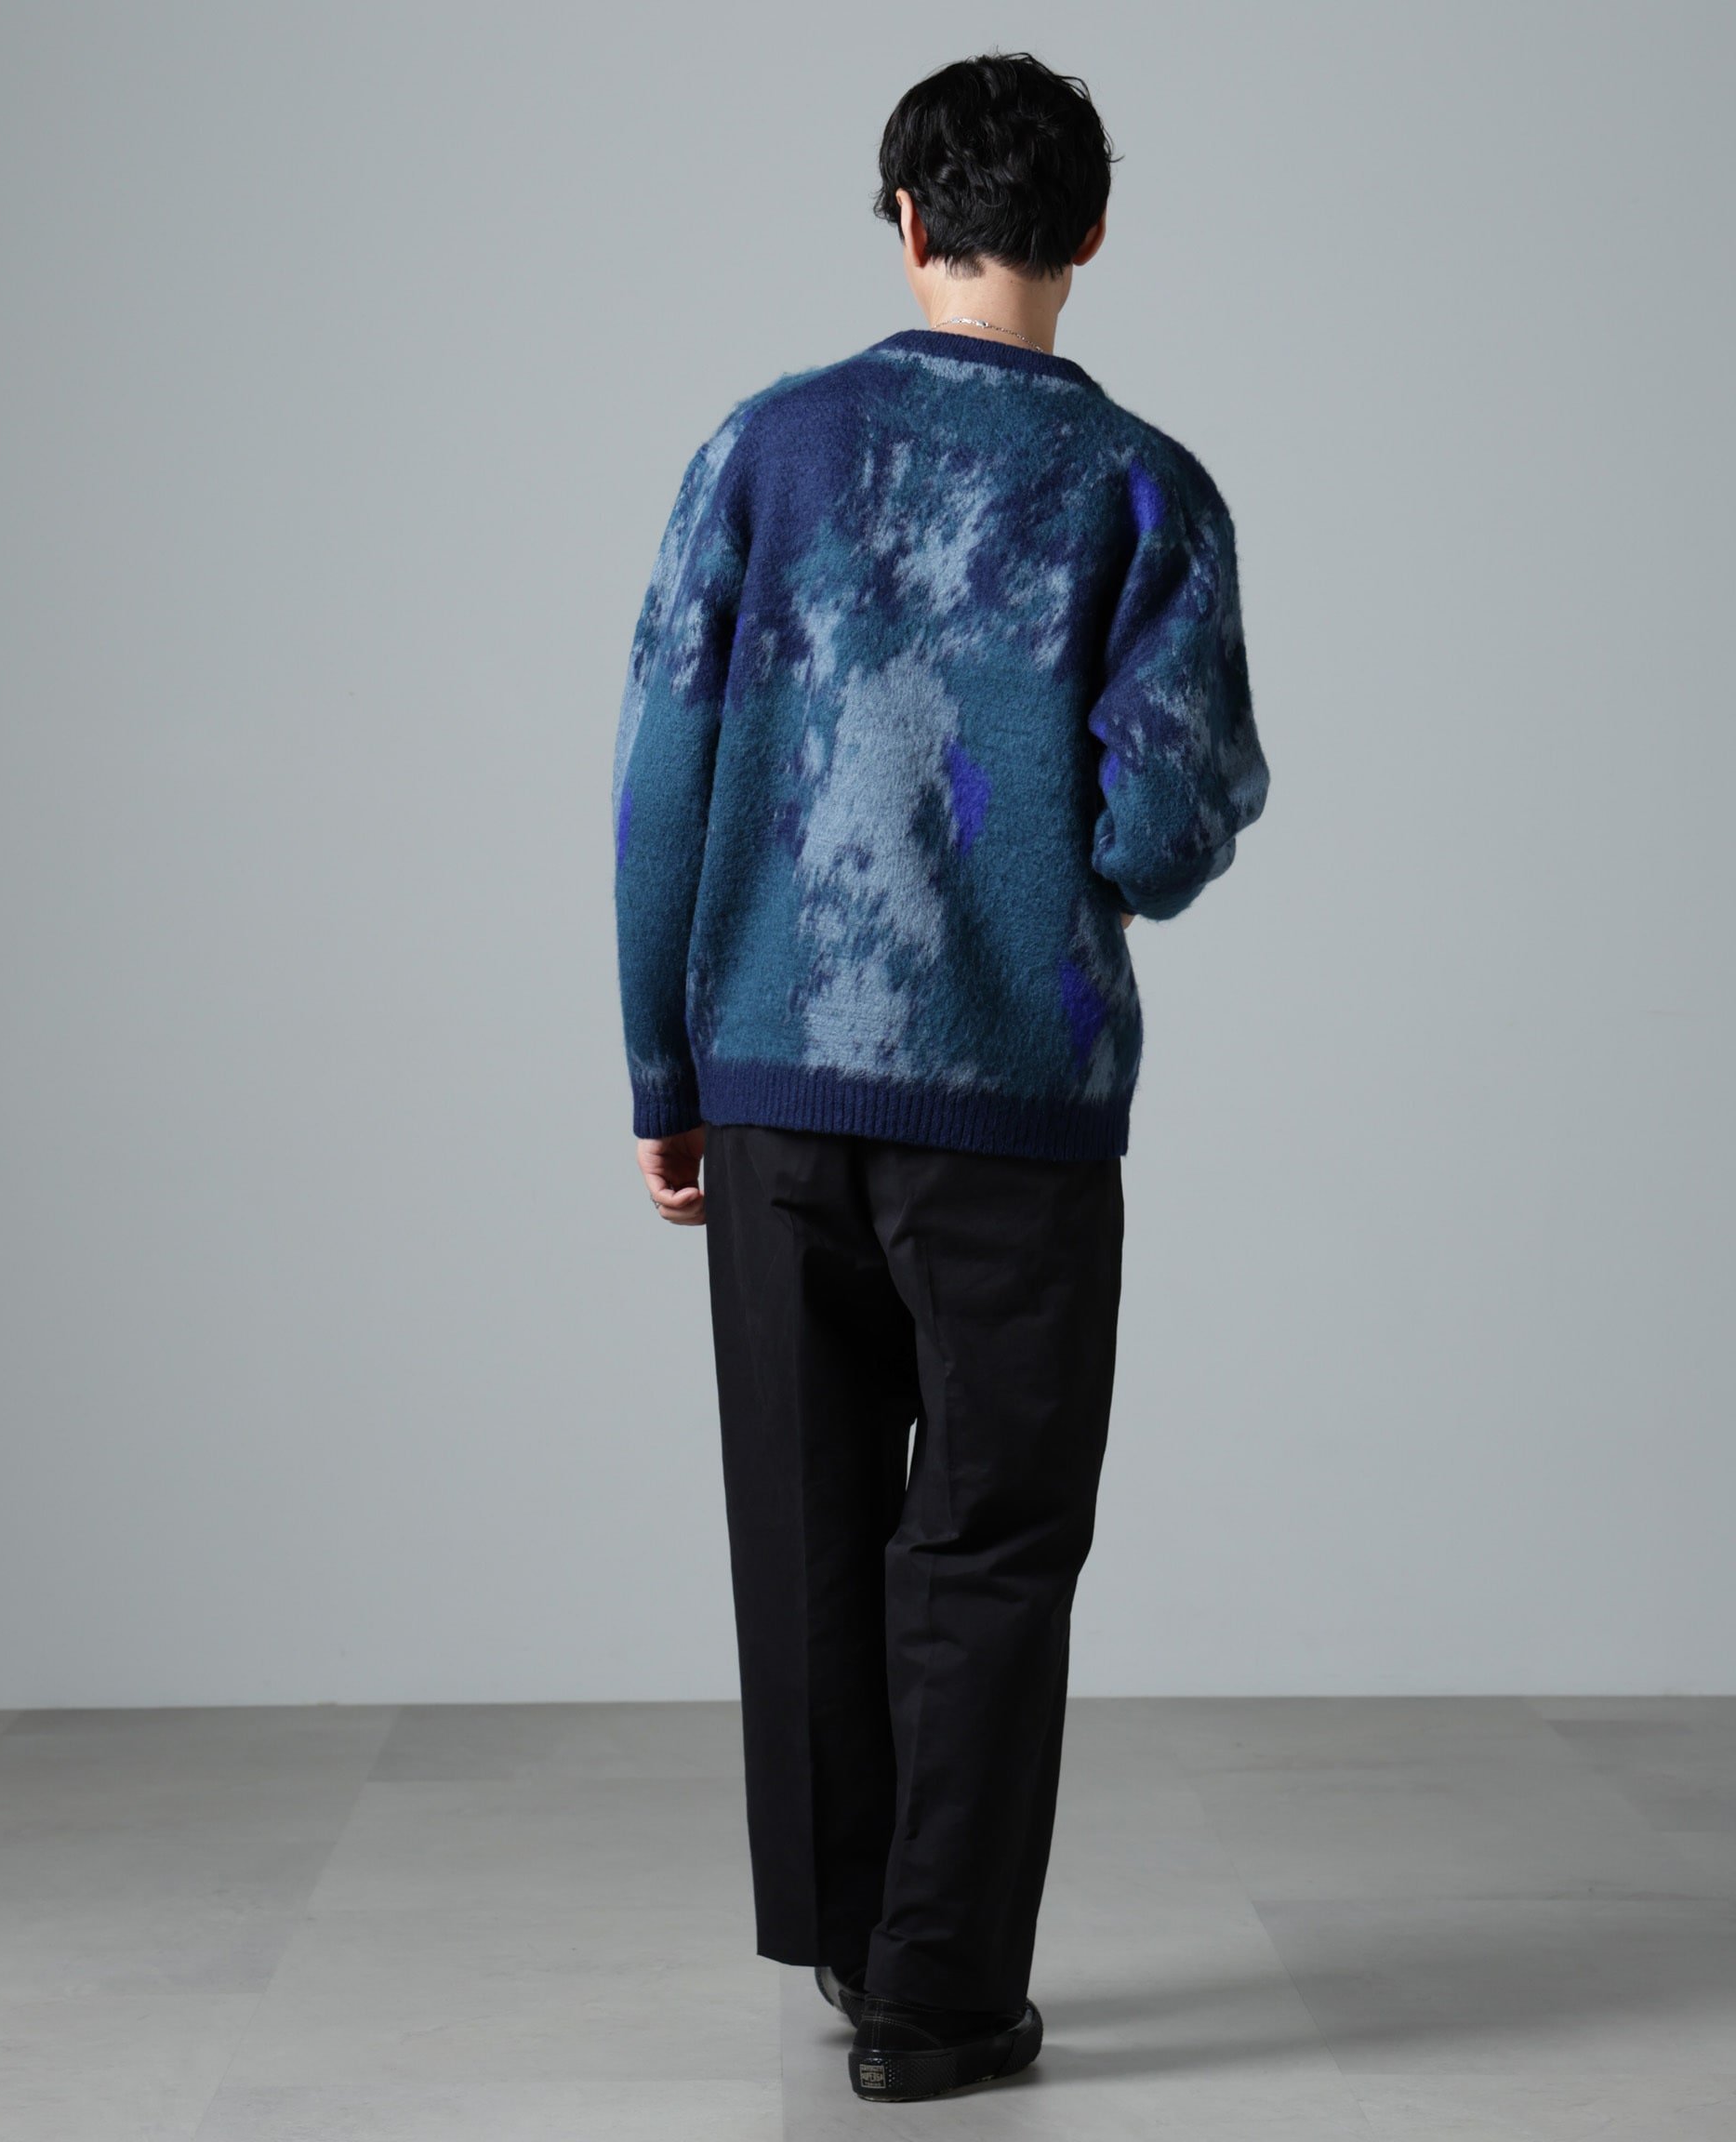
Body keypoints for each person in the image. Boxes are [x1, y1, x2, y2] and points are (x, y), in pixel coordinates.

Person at [610, 48, 1269, 2105]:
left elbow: (661, 773)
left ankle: (848, 1931)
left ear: (907, 222)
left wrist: (661, 1067)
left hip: (772, 1088)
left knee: (807, 1525)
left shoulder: (762, 449)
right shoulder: (1148, 487)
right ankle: (940, 1996)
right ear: (1091, 233)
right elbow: (1165, 829)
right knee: (988, 1543)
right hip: (1016, 1108)